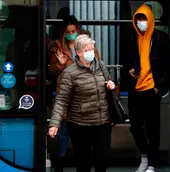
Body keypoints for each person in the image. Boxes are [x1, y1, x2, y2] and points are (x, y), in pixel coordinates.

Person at [48, 34, 115, 172]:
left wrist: (111, 85)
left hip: (102, 122)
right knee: (84, 163)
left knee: (103, 159)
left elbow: (109, 84)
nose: (91, 52)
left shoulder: (101, 66)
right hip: (80, 124)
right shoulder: (70, 73)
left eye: (92, 49)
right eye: (86, 50)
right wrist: (55, 124)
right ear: (78, 52)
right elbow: (61, 100)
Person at [126, 4, 170, 172]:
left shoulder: (161, 38)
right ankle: (144, 156)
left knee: (153, 129)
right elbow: (128, 61)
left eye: (144, 18)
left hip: (152, 90)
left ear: (150, 19)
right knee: (135, 126)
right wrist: (131, 72)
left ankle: (152, 164)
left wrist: (159, 87)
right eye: (138, 19)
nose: (141, 22)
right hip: (136, 90)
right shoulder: (132, 38)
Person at [48, 15, 100, 172]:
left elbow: (97, 66)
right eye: (68, 31)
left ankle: (83, 165)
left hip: (84, 94)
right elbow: (51, 71)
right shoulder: (58, 47)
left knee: (83, 134)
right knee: (63, 132)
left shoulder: (89, 46)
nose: (71, 33)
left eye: (73, 30)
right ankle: (60, 165)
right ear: (64, 33)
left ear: (78, 30)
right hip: (65, 92)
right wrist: (60, 65)